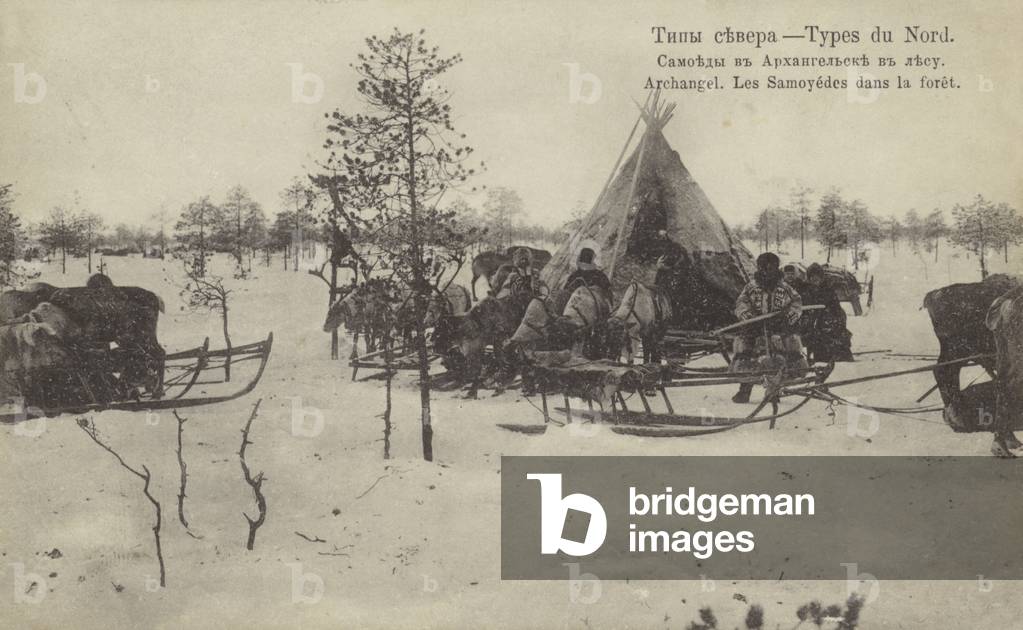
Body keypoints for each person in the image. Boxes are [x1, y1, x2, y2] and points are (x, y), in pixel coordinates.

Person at [730, 252, 807, 403]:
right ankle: (745, 390)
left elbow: (797, 302)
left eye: (771, 268)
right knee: (748, 358)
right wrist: (746, 315)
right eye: (764, 268)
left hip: (779, 327)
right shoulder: (751, 287)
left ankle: (773, 391)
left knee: (778, 359)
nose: (768, 271)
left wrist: (788, 317)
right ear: (759, 268)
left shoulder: (785, 288)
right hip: (754, 327)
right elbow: (741, 302)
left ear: (777, 268)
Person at [798, 263, 853, 363]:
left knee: (831, 334)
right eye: (812, 277)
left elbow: (836, 308)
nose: (815, 279)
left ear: (821, 277)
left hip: (826, 320)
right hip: (809, 321)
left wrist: (829, 316)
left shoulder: (828, 290)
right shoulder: (804, 290)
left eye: (817, 276)